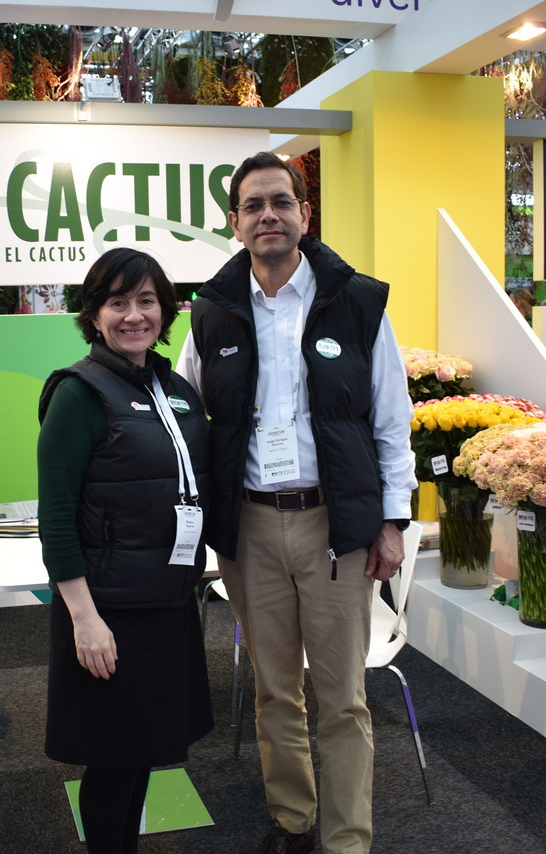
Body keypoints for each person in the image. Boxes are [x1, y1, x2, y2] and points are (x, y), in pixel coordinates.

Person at [178, 151, 416, 854]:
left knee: (342, 699)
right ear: (234, 222)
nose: (268, 216)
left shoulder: (358, 302)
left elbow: (391, 420)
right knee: (275, 691)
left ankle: (347, 841)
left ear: (305, 214)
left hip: (334, 528)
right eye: (253, 206)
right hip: (249, 528)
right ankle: (292, 821)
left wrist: (392, 522)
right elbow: (189, 418)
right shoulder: (212, 312)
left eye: (280, 202)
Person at [37, 248, 213, 854]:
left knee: (141, 753)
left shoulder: (175, 388)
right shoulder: (78, 393)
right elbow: (56, 517)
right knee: (112, 762)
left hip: (166, 602)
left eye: (146, 301)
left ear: (165, 311)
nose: (134, 315)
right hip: (108, 612)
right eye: (118, 302)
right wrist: (84, 619)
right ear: (94, 314)